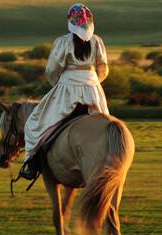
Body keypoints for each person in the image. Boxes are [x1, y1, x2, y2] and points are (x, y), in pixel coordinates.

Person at [20, 3, 110, 180]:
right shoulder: (97, 41)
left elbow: (52, 70)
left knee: (36, 122)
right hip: (93, 91)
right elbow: (104, 69)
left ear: (71, 21)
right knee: (106, 125)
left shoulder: (62, 42)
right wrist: (92, 82)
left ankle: (32, 162)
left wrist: (58, 85)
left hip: (67, 90)